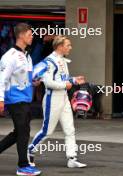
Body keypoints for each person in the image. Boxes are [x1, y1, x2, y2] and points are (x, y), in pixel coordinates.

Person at [28, 35, 87, 168]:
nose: (70, 47)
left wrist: (73, 80)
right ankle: (30, 151)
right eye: (68, 45)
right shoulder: (49, 61)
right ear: (60, 46)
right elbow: (48, 83)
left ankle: (72, 158)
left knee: (70, 129)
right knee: (47, 131)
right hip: (52, 98)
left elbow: (62, 79)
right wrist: (65, 84)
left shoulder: (62, 60)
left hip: (64, 97)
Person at [0, 23, 41, 175]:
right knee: (23, 132)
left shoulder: (27, 56)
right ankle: (23, 166)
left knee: (18, 133)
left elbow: (24, 78)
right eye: (30, 34)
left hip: (25, 99)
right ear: (22, 35)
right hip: (15, 100)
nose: (32, 36)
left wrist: (34, 82)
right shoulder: (9, 56)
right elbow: (1, 79)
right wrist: (1, 100)